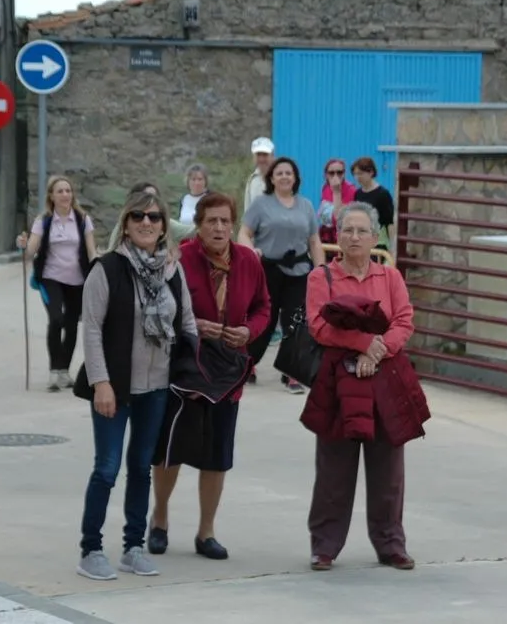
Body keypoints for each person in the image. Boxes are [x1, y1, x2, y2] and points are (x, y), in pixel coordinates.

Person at [73, 189, 198, 581]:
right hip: (115, 387)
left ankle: (133, 548)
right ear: (126, 224)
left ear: (164, 227)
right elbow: (92, 330)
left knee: (142, 468)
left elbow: (187, 321)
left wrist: (190, 365)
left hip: (157, 387)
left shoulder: (172, 271)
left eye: (155, 217)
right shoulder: (107, 268)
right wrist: (101, 383)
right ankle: (91, 550)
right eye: (139, 216)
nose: (147, 222)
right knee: (107, 468)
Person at [299, 201, 431, 573]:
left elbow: (404, 320)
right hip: (338, 382)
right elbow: (319, 326)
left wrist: (379, 350)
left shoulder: (390, 277)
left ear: (375, 238)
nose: (354, 237)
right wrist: (363, 344)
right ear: (337, 236)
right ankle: (324, 547)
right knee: (334, 470)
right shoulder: (322, 278)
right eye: (347, 230)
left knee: (389, 471)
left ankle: (391, 545)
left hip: (385, 380)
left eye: (362, 231)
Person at [149, 192, 271, 561]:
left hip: (229, 369)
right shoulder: (180, 259)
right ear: (198, 226)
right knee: (170, 450)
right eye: (211, 221)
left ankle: (206, 531)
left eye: (225, 221)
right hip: (185, 366)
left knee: (218, 454)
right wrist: (193, 325)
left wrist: (249, 331)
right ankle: (160, 518)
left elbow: (263, 307)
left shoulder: (248, 261)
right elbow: (159, 307)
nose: (219, 228)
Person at [238, 157, 325, 394]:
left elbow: (314, 241)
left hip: (299, 271)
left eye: (289, 173)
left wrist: (321, 270)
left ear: (295, 178)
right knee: (264, 320)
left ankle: (291, 373)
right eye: (280, 173)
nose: (285, 177)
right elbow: (244, 232)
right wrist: (250, 250)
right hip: (268, 270)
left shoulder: (306, 205)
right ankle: (248, 363)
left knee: (296, 321)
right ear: (272, 178)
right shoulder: (261, 204)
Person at [16, 175, 98, 391]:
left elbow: (91, 251)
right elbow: (30, 251)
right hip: (50, 278)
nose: (65, 195)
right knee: (56, 319)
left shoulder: (82, 219)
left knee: (71, 324)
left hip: (77, 280)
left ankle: (64, 372)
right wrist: (23, 245)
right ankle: (54, 371)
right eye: (60, 191)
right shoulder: (43, 221)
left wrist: (99, 269)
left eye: (68, 191)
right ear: (51, 196)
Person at [107, 182, 195, 252]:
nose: (146, 223)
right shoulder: (123, 225)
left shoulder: (170, 266)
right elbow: (111, 251)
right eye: (137, 216)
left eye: (154, 217)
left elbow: (191, 231)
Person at [351, 157, 395, 253]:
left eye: (360, 174)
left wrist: (392, 248)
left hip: (378, 243)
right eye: (355, 174)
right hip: (360, 241)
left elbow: (389, 223)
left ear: (371, 172)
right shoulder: (357, 193)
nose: (357, 177)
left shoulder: (383, 194)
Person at [317, 158, 358, 248]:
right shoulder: (325, 187)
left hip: (341, 237)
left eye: (339, 172)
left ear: (344, 174)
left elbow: (340, 219)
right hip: (326, 234)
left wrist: (337, 192)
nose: (335, 176)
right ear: (326, 175)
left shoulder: (351, 190)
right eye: (331, 173)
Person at [243, 137, 274, 212]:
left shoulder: (280, 178)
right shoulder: (253, 180)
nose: (261, 159)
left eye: (265, 155)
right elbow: (248, 210)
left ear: (272, 156)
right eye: (258, 155)